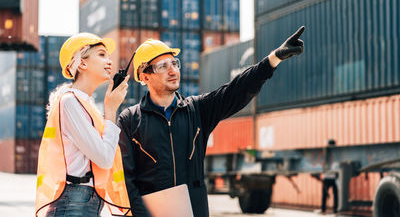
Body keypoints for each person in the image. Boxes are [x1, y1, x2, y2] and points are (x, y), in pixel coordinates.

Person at [118, 26, 305, 216]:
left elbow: (236, 90)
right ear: (144, 76)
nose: (172, 70)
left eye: (174, 63)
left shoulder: (197, 110)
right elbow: (127, 181)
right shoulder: (130, 121)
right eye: (162, 66)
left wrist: (273, 59)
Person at [35, 33, 132, 217]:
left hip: (85, 201)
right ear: (82, 63)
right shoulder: (70, 102)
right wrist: (111, 109)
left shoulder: (85, 104)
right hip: (74, 202)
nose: (109, 60)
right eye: (102, 54)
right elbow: (104, 158)